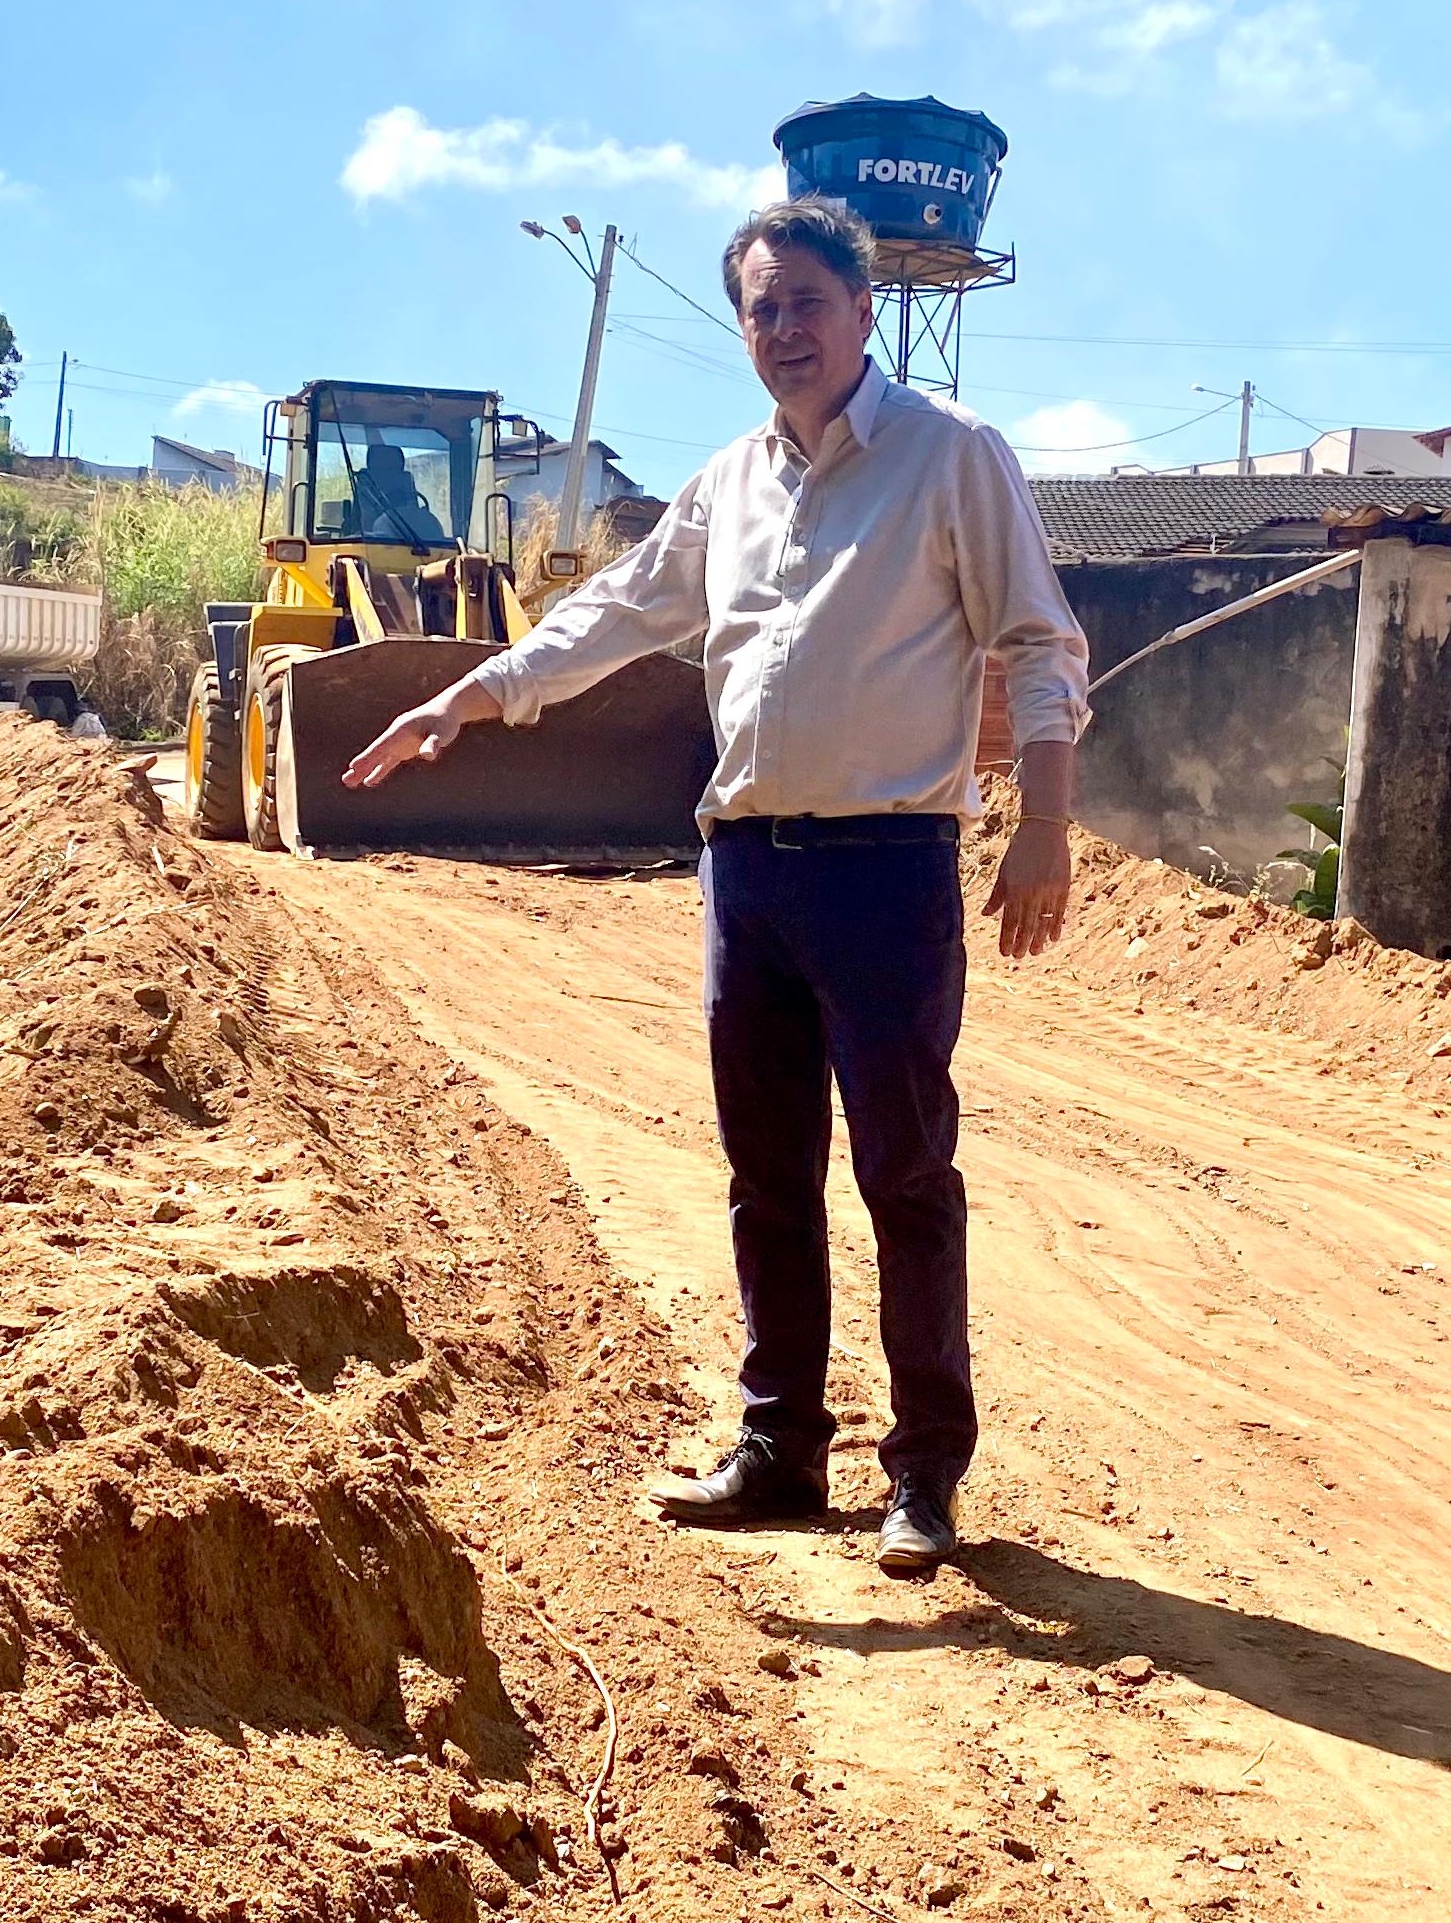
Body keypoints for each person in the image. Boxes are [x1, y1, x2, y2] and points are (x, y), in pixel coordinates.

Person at [340, 196, 1091, 1576]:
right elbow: (617, 610)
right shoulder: (731, 482)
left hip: (887, 863)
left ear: (866, 311)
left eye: (808, 301)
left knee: (906, 1170)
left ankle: (924, 1476)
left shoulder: (951, 459)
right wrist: (470, 697)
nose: (785, 329)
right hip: (747, 869)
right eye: (761, 308)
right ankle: (779, 1452)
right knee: (766, 1173)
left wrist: (1044, 822)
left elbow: (1041, 643)